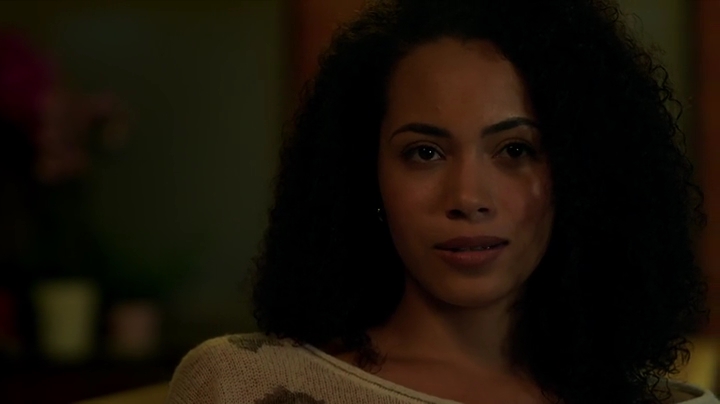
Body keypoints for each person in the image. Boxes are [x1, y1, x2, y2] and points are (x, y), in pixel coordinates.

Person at [165, 0, 716, 403]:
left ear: (584, 176)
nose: (468, 198)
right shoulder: (244, 384)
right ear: (363, 176)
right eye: (424, 153)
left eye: (515, 149)